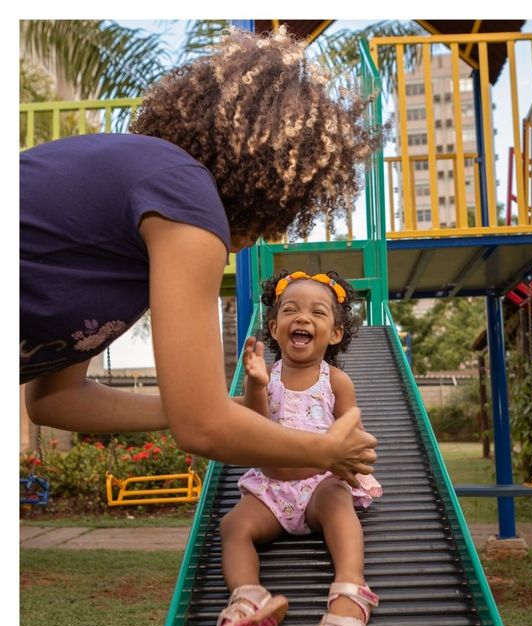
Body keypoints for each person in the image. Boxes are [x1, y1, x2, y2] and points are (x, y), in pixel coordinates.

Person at [20, 25, 381, 484]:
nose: (272, 230)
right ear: (270, 181)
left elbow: (55, 401)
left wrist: (211, 407)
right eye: (285, 212)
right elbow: (202, 430)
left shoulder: (138, 227)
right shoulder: (184, 194)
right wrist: (325, 448)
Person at [214, 270, 382, 626]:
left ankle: (351, 590)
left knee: (339, 504)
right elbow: (256, 427)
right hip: (272, 489)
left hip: (319, 482)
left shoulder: (336, 382)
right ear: (274, 328)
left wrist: (351, 465)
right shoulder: (265, 377)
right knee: (233, 526)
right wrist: (255, 385)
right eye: (291, 310)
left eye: (317, 313)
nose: (302, 318)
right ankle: (249, 597)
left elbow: (350, 431)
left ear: (335, 334)